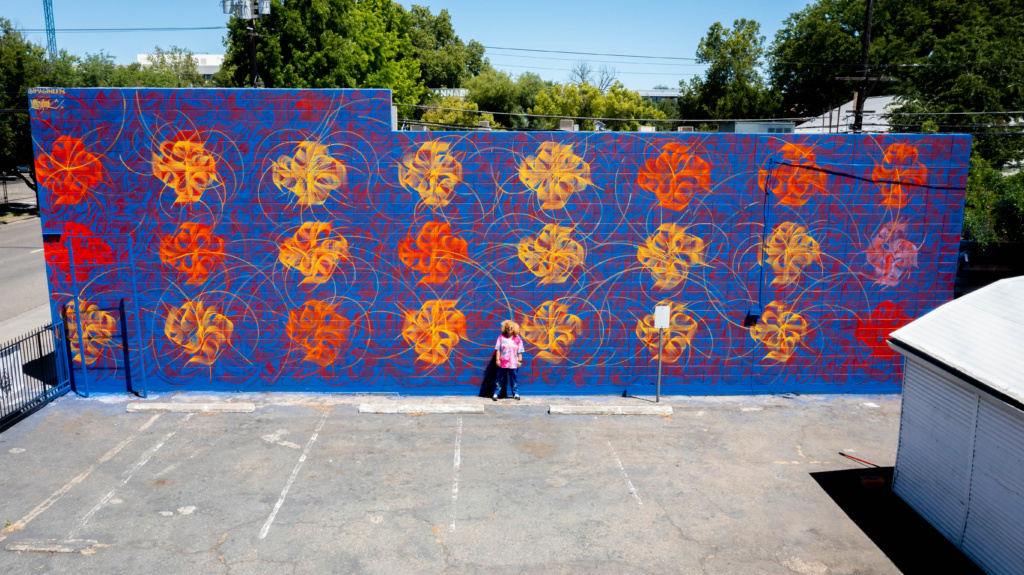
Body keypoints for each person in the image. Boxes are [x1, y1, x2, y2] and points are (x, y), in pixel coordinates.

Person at [493, 319, 524, 401]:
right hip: (502, 362)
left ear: (514, 329)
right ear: (505, 328)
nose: (509, 329)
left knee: (514, 378)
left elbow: (520, 351)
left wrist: (519, 361)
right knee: (500, 378)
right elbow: (498, 349)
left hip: (514, 363)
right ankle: (496, 393)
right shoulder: (501, 338)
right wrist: (497, 360)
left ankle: (516, 393)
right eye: (508, 328)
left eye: (511, 328)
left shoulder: (517, 339)